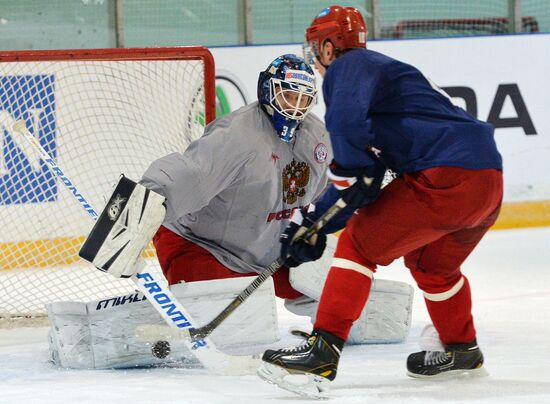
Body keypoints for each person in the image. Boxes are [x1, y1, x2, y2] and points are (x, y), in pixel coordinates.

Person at [47, 54, 412, 370]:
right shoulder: (238, 135)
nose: (296, 105)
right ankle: (90, 331)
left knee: (331, 276)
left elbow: (336, 181)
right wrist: (145, 201)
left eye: (304, 97)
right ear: (268, 91)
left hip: (269, 245)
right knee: (239, 320)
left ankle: (351, 322)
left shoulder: (316, 136)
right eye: (288, 94)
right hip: (201, 243)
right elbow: (190, 171)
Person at [258, 6, 503, 398]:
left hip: (445, 176)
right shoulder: (383, 73)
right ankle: (463, 350)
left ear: (327, 45)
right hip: (487, 180)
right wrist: (318, 222)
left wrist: (335, 203)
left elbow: (348, 135)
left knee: (358, 244)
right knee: (431, 266)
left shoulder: (347, 68)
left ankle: (322, 352)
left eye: (315, 46)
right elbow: (362, 184)